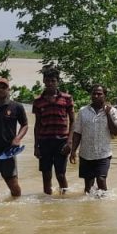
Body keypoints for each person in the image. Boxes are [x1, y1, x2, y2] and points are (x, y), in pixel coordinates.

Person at [70, 85, 117, 195]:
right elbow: (77, 132)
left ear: (105, 95)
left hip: (103, 153)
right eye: (94, 93)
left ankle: (102, 206)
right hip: (86, 154)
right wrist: (73, 151)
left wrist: (107, 114)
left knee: (101, 180)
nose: (96, 96)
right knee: (88, 187)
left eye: (99, 94)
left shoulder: (112, 111)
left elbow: (116, 131)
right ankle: (89, 209)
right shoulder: (83, 111)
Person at [33, 67, 75, 195]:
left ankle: (64, 199)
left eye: (53, 80)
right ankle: (47, 201)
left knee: (60, 174)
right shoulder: (38, 101)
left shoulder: (67, 98)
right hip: (44, 141)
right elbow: (37, 124)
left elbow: (73, 121)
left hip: (61, 141)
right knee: (46, 175)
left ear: (57, 81)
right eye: (47, 80)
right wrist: (36, 146)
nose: (50, 83)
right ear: (44, 81)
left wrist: (70, 143)